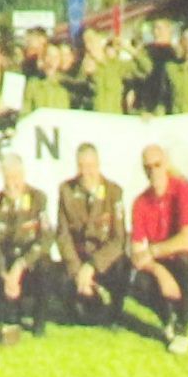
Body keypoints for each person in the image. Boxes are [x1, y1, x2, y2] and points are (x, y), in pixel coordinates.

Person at [125, 142, 188, 354]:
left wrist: (153, 252)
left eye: (157, 165)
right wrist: (160, 272)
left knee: (187, 266)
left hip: (183, 264)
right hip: (161, 266)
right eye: (147, 167)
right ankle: (168, 320)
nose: (153, 171)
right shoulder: (140, 202)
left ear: (165, 164)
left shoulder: (181, 190)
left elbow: (186, 240)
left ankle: (182, 329)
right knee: (139, 281)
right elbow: (137, 254)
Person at [55, 142, 132, 332]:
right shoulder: (66, 190)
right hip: (79, 259)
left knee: (123, 264)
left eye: (90, 167)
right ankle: (78, 308)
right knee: (57, 276)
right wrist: (77, 269)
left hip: (104, 261)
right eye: (81, 167)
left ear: (98, 165)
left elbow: (118, 239)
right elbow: (63, 235)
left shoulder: (114, 192)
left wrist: (93, 266)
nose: (86, 172)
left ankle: (115, 314)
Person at [0, 157, 51, 343]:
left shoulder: (38, 198)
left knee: (44, 264)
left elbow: (45, 238)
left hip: (29, 263)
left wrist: (21, 265)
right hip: (6, 263)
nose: (12, 184)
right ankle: (11, 316)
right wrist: (5, 273)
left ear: (23, 176)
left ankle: (39, 321)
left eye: (16, 177)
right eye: (8, 178)